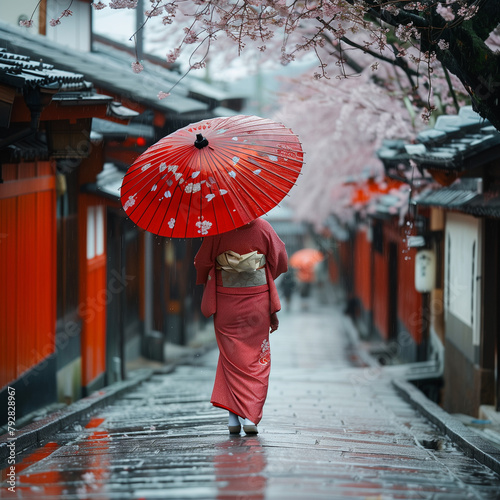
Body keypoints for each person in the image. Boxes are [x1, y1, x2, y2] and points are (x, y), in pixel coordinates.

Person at [194, 217, 288, 435]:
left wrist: (219, 269)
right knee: (256, 358)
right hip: (257, 301)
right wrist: (259, 273)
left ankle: (233, 419)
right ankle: (250, 418)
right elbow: (280, 257)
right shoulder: (263, 227)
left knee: (231, 358)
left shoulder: (218, 227)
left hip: (227, 301)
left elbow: (201, 262)